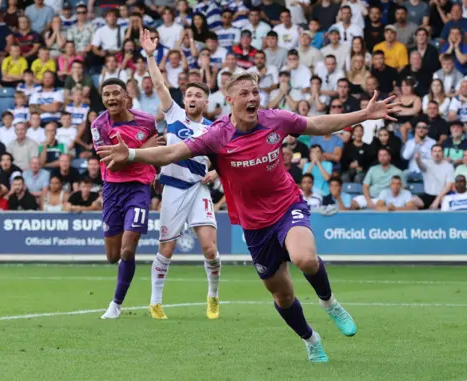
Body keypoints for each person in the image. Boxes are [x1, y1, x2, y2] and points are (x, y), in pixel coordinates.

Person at [98, 71, 400, 362]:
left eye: (255, 92)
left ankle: (330, 303)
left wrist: (363, 114)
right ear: (230, 99)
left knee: (305, 258)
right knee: (283, 296)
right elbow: (170, 153)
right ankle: (311, 340)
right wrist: (134, 155)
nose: (252, 97)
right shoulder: (218, 136)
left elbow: (318, 123)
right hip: (255, 226)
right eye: (244, 93)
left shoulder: (275, 119)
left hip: (287, 206)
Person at [141, 29, 221, 320]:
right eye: (188, 94)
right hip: (173, 188)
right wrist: (150, 55)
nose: (191, 98)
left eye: (198, 95)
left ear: (205, 102)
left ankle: (213, 297)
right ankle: (155, 301)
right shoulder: (173, 114)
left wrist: (214, 173)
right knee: (167, 248)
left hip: (198, 189)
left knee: (210, 249)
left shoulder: (213, 129)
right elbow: (160, 83)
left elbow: (223, 160)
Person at [91, 77, 160, 320]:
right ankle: (118, 292)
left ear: (125, 96)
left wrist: (145, 156)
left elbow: (159, 150)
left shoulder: (147, 122)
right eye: (107, 94)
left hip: (138, 189)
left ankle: (116, 304)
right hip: (112, 190)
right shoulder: (99, 126)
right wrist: (143, 150)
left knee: (128, 249)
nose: (111, 98)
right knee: (113, 256)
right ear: (103, 99)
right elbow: (114, 165)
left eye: (116, 93)